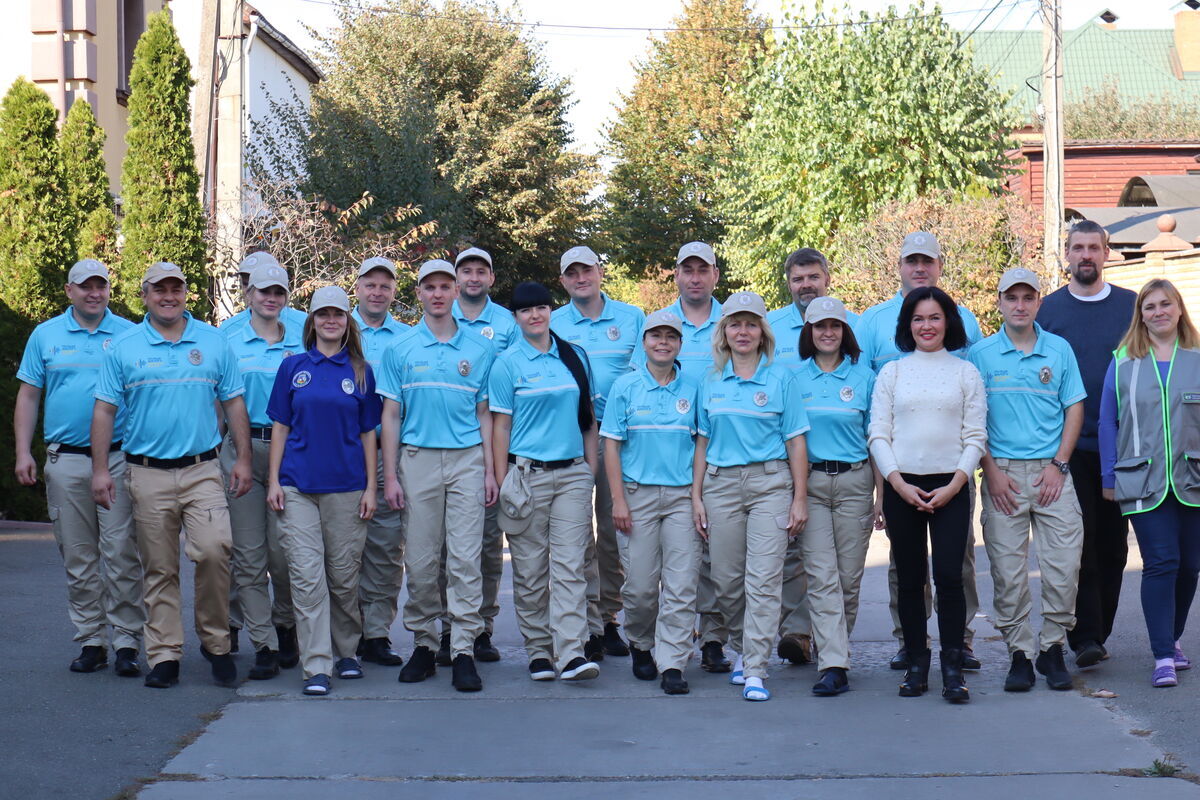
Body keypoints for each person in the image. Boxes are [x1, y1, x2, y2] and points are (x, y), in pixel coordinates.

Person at [91, 261, 253, 689]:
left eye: (176, 288)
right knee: (159, 568)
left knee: (216, 550)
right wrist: (100, 470)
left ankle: (217, 644)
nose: (168, 296)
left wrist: (242, 459)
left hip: (203, 469)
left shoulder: (214, 343)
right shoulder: (124, 347)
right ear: (144, 295)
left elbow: (235, 403)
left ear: (186, 293)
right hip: (146, 474)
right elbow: (104, 410)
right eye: (159, 289)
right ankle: (164, 655)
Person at [854, 231, 984, 672]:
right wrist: (895, 483)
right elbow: (878, 433)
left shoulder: (966, 371)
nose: (927, 326)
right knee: (908, 579)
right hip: (901, 485)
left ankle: (953, 659)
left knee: (950, 576)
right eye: (918, 319)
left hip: (952, 484)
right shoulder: (891, 371)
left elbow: (975, 434)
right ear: (907, 326)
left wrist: (956, 484)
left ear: (949, 321)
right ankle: (914, 658)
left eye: (935, 318)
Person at [15, 259, 143, 676]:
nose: (94, 293)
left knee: (122, 553)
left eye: (101, 286)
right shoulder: (45, 335)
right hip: (65, 460)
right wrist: (23, 452)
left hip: (120, 459)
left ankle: (126, 642)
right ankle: (92, 640)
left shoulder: (129, 335)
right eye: (85, 286)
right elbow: (30, 396)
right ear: (69, 291)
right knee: (79, 556)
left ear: (109, 290)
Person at [378, 260, 497, 692]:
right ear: (420, 293)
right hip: (418, 459)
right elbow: (390, 415)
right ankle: (425, 645)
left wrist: (489, 470)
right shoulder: (401, 348)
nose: (439, 293)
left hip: (467, 460)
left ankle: (463, 647)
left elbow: (485, 414)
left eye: (445, 286)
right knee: (423, 560)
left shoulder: (479, 350)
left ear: (454, 293)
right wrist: (390, 475)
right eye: (430, 287)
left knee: (466, 559)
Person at [969, 268, 1086, 692]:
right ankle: (1019, 653)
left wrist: (1060, 464)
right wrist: (991, 471)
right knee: (1007, 571)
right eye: (1011, 297)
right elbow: (973, 419)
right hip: (1003, 476)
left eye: (1027, 297)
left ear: (1039, 302)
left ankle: (1053, 647)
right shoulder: (980, 356)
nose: (1020, 305)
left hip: (1052, 472)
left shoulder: (1059, 350)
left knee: (1063, 565)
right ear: (999, 302)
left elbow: (1074, 408)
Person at [692, 291, 809, 702]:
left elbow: (796, 442)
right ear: (724, 332)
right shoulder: (710, 379)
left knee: (763, 579)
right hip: (720, 486)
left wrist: (799, 498)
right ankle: (743, 646)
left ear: (763, 332)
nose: (743, 331)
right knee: (725, 580)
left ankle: (756, 667)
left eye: (751, 324)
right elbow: (702, 444)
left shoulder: (781, 378)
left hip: (770, 485)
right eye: (735, 324)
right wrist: (696, 497)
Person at [266, 285, 381, 696]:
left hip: (348, 488)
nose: (329, 321)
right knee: (306, 576)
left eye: (337, 314)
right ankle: (316, 664)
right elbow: (281, 426)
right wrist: (275, 480)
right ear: (311, 322)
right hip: (298, 486)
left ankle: (346, 651)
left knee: (343, 576)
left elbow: (369, 434)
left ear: (347, 322)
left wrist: (371, 486)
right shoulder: (293, 367)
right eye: (321, 314)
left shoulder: (362, 371)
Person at [1037, 220, 1137, 670]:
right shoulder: (1048, 311)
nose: (1085, 256)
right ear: (1067, 255)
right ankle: (1085, 636)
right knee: (1079, 543)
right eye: (1077, 248)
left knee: (1115, 547)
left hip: (1124, 446)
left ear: (1107, 253)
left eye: (1094, 248)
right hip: (1068, 446)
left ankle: (1100, 630)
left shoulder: (1129, 307)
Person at [489, 281, 600, 682]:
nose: (535, 316)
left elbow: (587, 419)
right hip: (525, 477)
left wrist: (589, 470)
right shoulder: (507, 363)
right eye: (525, 310)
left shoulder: (574, 356)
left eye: (541, 308)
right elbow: (500, 427)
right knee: (532, 570)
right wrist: (503, 480)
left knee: (570, 566)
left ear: (550, 311)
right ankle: (538, 650)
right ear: (515, 317)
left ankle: (571, 653)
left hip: (571, 475)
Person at [1099, 279, 1200, 688]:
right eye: (1149, 306)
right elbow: (1108, 420)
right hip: (1142, 479)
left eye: (1165, 304)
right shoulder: (1124, 360)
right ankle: (1161, 655)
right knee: (1162, 563)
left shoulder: (1196, 357)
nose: (1157, 312)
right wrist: (1108, 475)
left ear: (1179, 309)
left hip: (1192, 478)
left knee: (1191, 565)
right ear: (1140, 315)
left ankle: (1172, 638)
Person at [601, 310, 701, 694]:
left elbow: (700, 446)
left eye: (670, 337)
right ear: (644, 342)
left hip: (679, 498)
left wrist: (697, 498)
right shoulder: (626, 387)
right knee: (641, 587)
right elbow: (611, 444)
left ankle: (672, 661)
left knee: (680, 584)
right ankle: (641, 643)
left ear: (679, 344)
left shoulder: (692, 388)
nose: (663, 342)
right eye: (655, 336)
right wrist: (618, 500)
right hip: (637, 496)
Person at [552, 244, 645, 660]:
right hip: (569, 438)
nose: (580, 278)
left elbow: (644, 375)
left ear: (600, 271)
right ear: (563, 281)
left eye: (586, 270)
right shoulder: (551, 322)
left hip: (618, 439)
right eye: (571, 273)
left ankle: (609, 619)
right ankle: (586, 622)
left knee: (612, 533)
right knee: (575, 535)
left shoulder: (631, 318)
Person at [644, 241, 731, 674]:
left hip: (721, 451)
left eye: (704, 269)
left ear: (715, 274)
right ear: (675, 274)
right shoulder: (661, 325)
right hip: (672, 454)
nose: (695, 277)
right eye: (687, 269)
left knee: (711, 552)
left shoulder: (730, 323)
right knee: (671, 561)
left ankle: (713, 637)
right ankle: (666, 640)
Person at [767, 247, 856, 666]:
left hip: (849, 470)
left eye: (813, 277)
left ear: (827, 278)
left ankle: (826, 640)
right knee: (796, 560)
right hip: (791, 465)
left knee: (839, 570)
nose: (806, 284)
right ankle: (798, 632)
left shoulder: (849, 328)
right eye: (798, 278)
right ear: (789, 282)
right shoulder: (770, 327)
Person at [219, 262, 304, 680]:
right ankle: (265, 643)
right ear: (249, 293)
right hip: (244, 448)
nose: (270, 298)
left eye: (278, 292)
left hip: (291, 452)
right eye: (262, 291)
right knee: (249, 557)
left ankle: (286, 623)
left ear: (287, 296)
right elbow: (218, 402)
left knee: (285, 553)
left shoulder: (305, 334)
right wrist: (229, 456)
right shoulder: (228, 338)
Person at [794, 297, 879, 696]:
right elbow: (789, 441)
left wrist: (881, 495)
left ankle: (833, 647)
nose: (827, 333)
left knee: (848, 578)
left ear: (845, 332)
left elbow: (876, 438)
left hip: (855, 483)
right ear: (808, 333)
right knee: (821, 576)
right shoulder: (793, 379)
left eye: (835, 326)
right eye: (819, 326)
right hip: (810, 484)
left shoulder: (865, 378)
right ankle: (834, 663)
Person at [447, 246, 518, 664]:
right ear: (457, 279)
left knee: (488, 543)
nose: (474, 277)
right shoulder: (440, 319)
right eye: (466, 271)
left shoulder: (507, 324)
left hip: (494, 439)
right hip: (451, 441)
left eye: (481, 271)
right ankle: (447, 626)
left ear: (491, 278)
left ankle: (481, 627)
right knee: (446, 547)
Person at [352, 256, 410, 668]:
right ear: (357, 288)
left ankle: (376, 633)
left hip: (387, 453)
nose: (377, 292)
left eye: (384, 286)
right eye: (369, 284)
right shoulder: (334, 327)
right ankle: (345, 631)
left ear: (393, 292)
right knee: (342, 546)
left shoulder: (406, 340)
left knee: (386, 548)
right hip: (340, 453)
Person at [218, 252, 308, 334]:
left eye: (259, 285)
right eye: (246, 284)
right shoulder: (229, 329)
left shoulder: (304, 324)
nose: (249, 290)